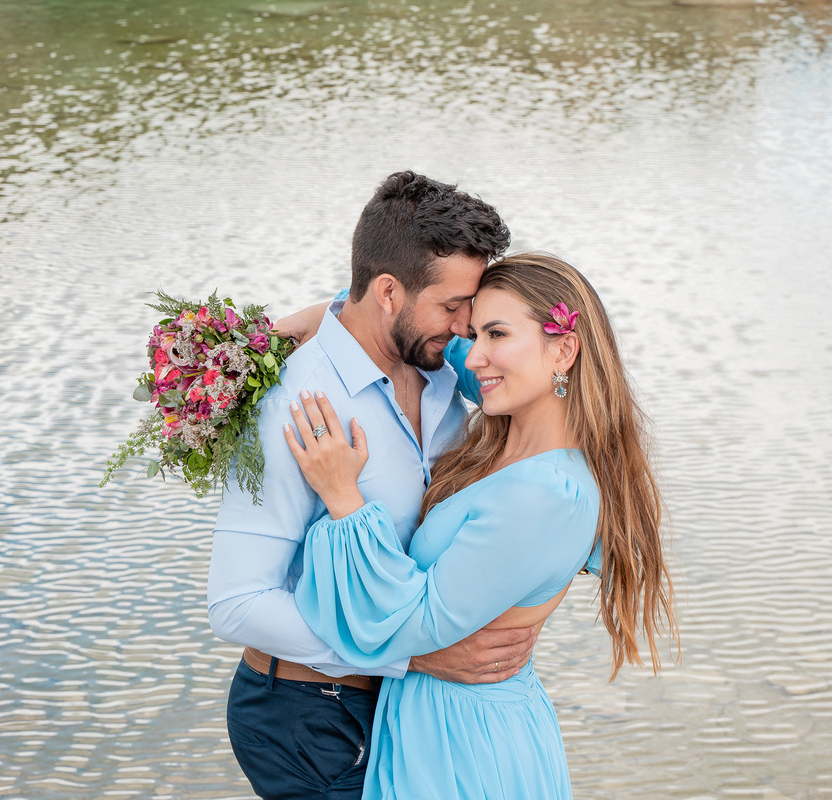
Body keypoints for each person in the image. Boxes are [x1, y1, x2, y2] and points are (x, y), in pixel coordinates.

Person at [282, 253, 680, 799]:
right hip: (440, 723)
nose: (477, 357)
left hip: (463, 745)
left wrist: (343, 498)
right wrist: (331, 317)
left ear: (564, 349)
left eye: (496, 334)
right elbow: (438, 339)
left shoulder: (545, 494)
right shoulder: (512, 426)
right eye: (474, 333)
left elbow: (411, 621)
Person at [207, 171, 537, 800]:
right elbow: (237, 602)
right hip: (306, 714)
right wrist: (411, 656)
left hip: (399, 704)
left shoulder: (442, 369)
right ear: (388, 292)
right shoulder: (295, 404)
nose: (468, 324)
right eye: (451, 306)